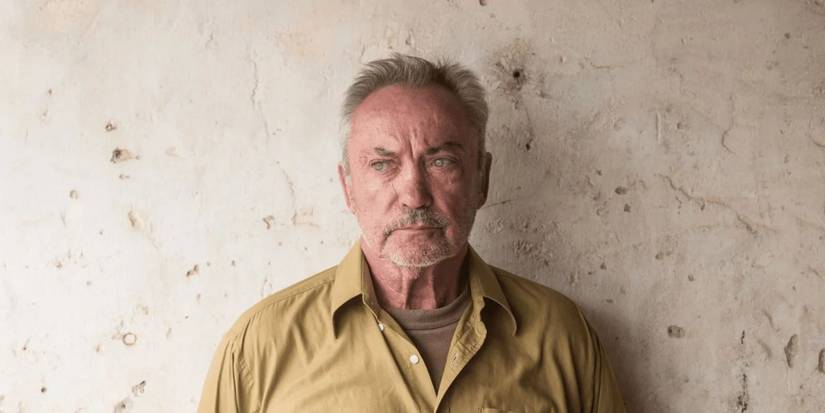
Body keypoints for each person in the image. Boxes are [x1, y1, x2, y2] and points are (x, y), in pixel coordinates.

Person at [197, 53, 626, 412]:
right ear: (348, 187)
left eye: (440, 161)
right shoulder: (259, 347)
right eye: (383, 164)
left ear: (482, 179)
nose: (414, 195)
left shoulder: (561, 334)